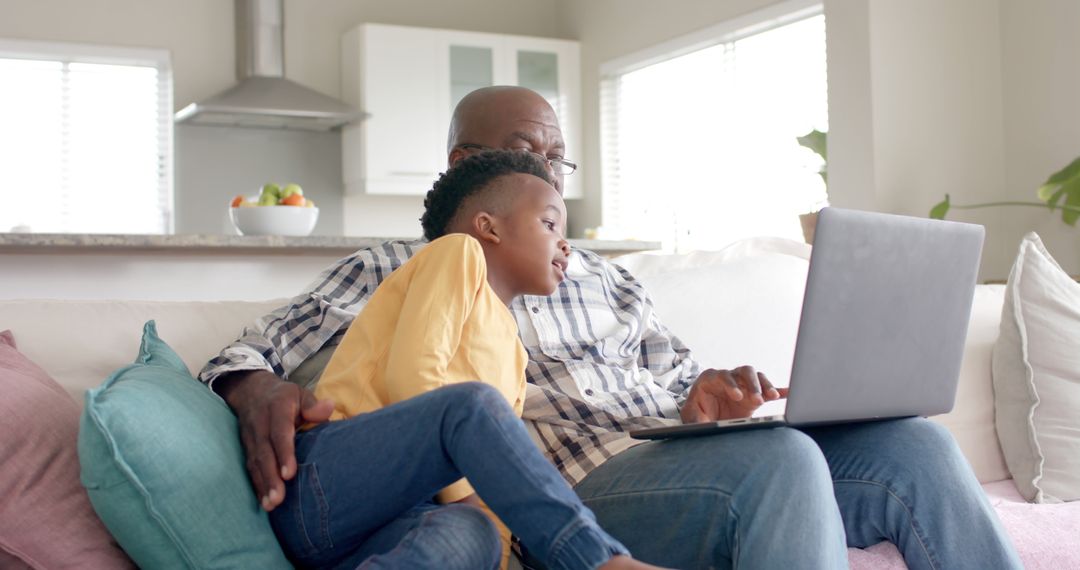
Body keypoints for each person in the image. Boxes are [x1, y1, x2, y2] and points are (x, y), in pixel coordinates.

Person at [201, 86, 1021, 569]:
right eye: (530, 153)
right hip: (572, 487)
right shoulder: (405, 263)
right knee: (781, 460)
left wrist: (707, 396)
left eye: (560, 163)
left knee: (915, 446)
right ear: (465, 168)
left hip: (677, 459)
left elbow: (676, 383)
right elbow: (247, 352)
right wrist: (255, 386)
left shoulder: (608, 276)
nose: (550, 177)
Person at [267, 150, 658, 570]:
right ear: (487, 227)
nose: (565, 243)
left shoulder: (511, 349)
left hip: (393, 521)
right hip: (328, 482)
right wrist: (468, 495)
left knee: (476, 533)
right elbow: (412, 379)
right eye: (549, 224)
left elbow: (491, 498)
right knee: (473, 406)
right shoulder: (457, 255)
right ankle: (599, 562)